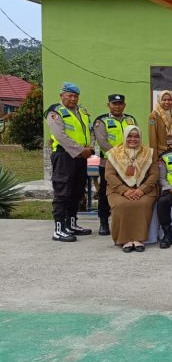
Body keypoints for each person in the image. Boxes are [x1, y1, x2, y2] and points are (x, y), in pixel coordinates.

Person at [46, 82, 94, 242]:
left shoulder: (82, 111)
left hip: (81, 157)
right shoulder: (55, 112)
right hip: (64, 156)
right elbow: (60, 136)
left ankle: (71, 224)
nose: (73, 99)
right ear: (62, 96)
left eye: (76, 96)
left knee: (77, 192)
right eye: (70, 95)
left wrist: (90, 147)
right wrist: (81, 150)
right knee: (62, 192)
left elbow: (90, 131)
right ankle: (59, 230)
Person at [104, 125, 159, 252]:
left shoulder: (148, 152)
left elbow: (154, 174)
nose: (133, 139)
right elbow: (109, 175)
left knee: (142, 204)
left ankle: (139, 239)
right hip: (118, 190)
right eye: (129, 136)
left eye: (136, 136)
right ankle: (124, 239)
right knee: (122, 205)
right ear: (124, 137)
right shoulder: (114, 153)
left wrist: (142, 190)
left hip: (145, 190)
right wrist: (124, 190)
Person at [92, 93, 137, 236]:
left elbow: (136, 137)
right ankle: (104, 222)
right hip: (108, 163)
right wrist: (120, 155)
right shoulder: (101, 121)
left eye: (120, 104)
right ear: (108, 105)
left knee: (128, 190)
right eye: (114, 104)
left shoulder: (131, 119)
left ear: (124, 105)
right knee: (105, 192)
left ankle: (127, 221)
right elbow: (102, 142)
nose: (117, 106)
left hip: (129, 163)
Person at [148, 90, 172, 158]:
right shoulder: (153, 115)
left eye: (169, 100)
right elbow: (152, 138)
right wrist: (154, 156)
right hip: (160, 152)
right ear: (159, 100)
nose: (167, 102)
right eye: (164, 100)